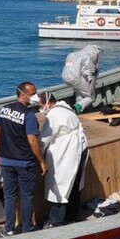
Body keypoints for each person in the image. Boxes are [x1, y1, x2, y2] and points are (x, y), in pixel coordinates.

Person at [0, 81, 47, 235]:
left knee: (10, 196)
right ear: (23, 94)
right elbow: (32, 140)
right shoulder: (29, 115)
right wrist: (42, 161)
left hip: (7, 161)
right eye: (33, 93)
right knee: (27, 196)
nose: (36, 96)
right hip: (25, 162)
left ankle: (9, 228)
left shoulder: (3, 110)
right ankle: (27, 227)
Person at [37, 92, 89, 227]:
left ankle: (56, 220)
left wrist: (39, 155)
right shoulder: (66, 108)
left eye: (41, 105)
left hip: (68, 151)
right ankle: (72, 216)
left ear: (48, 103)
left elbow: (45, 138)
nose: (40, 109)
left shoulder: (53, 116)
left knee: (61, 184)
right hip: (80, 147)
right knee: (75, 184)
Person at [62, 44, 102, 114]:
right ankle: (78, 106)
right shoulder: (87, 57)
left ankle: (77, 110)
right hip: (77, 79)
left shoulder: (71, 55)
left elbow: (69, 66)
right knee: (91, 97)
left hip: (67, 78)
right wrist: (91, 81)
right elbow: (87, 72)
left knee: (78, 93)